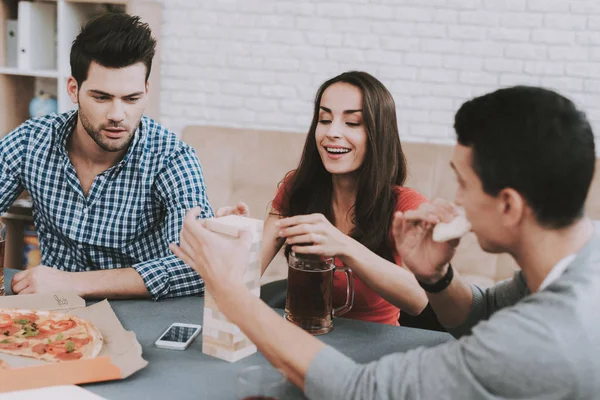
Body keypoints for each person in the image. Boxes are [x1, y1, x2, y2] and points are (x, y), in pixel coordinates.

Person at [171, 86, 600, 399]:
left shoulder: (543, 339)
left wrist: (231, 292)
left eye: (463, 183)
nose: (456, 199)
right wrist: (436, 277)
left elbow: (361, 389)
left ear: (509, 205)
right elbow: (485, 310)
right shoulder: (573, 261)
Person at [0, 13, 213, 300]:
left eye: (131, 99)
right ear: (74, 89)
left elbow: (201, 266)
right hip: (54, 317)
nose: (117, 115)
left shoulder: (172, 158)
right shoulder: (31, 141)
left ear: (146, 92)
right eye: (101, 97)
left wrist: (74, 283)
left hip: (144, 318)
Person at [218, 71, 429, 324]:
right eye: (325, 119)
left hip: (374, 345)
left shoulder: (407, 205)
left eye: (352, 123)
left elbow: (417, 301)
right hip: (305, 335)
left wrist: (342, 244)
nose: (332, 132)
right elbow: (243, 278)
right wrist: (237, 240)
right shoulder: (298, 187)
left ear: (379, 134)